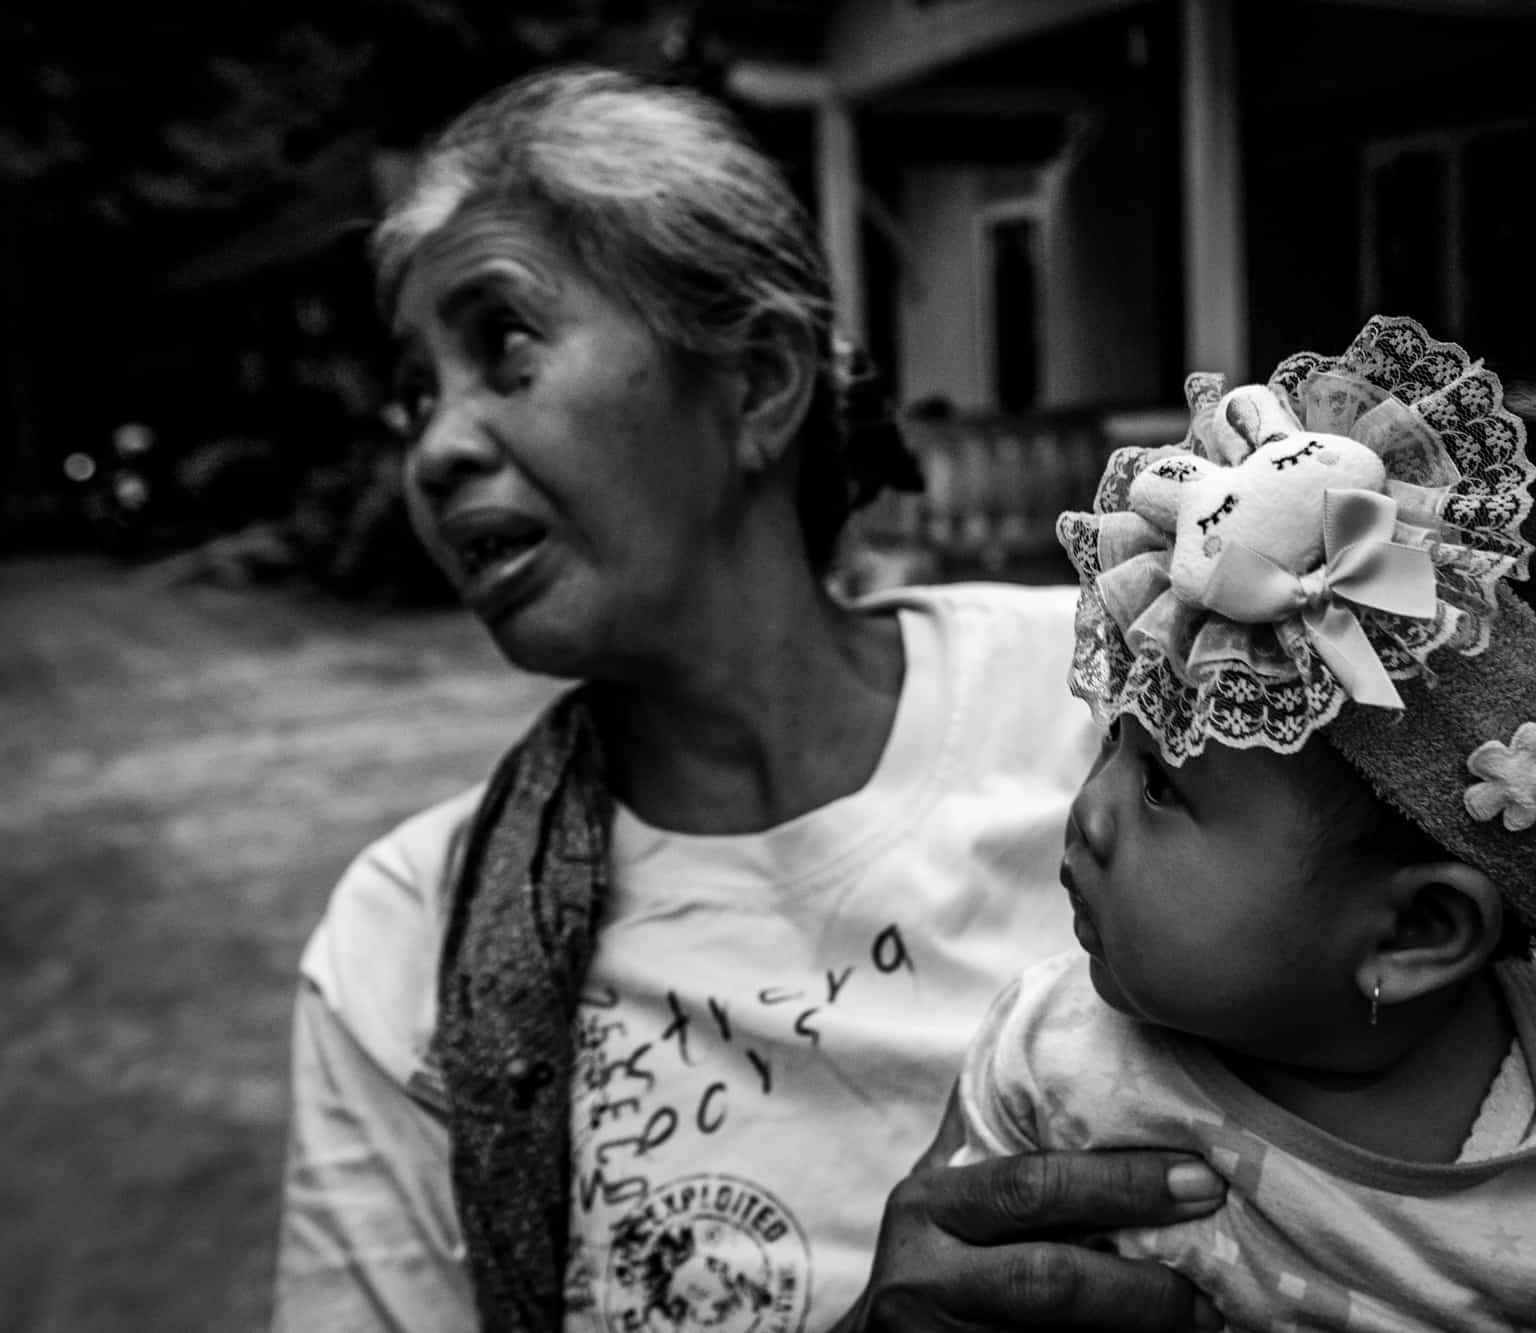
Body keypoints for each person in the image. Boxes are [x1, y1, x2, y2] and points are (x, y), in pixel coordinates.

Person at [273, 66, 1229, 1333]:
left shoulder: (1122, 706)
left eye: (502, 343)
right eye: (414, 395)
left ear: (760, 381)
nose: (435, 448)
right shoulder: (404, 948)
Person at [950, 317, 1536, 1332]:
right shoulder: (1051, 1060)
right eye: (1115, 743)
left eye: (1158, 786)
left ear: (1413, 931)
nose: (1086, 812)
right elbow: (949, 1286)